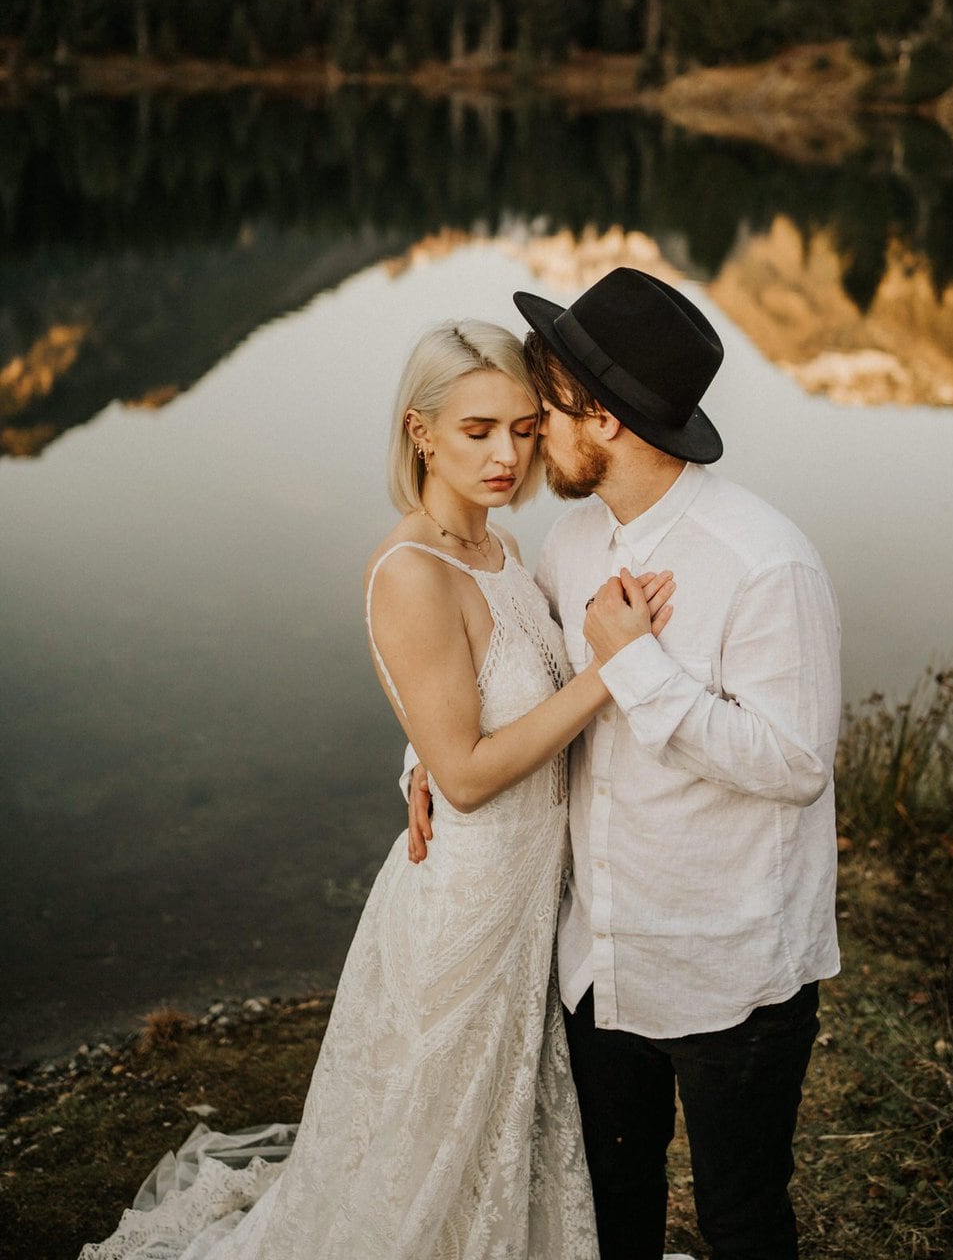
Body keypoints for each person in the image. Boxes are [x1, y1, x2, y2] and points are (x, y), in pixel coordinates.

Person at [79, 319, 675, 1260]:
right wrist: (610, 673)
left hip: (530, 903)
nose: (507, 454)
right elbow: (471, 777)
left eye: (524, 429)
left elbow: (469, 714)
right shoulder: (411, 573)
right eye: (478, 430)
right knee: (424, 1143)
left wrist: (416, 761)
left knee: (499, 1128)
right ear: (420, 431)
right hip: (464, 908)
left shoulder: (505, 554)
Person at [408, 269, 841, 1260]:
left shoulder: (765, 562)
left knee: (740, 1218)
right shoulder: (569, 541)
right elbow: (515, 680)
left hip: (731, 966)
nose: (524, 443)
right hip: (596, 953)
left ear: (598, 418)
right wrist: (427, 757)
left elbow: (794, 762)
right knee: (609, 1206)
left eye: (541, 416)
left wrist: (637, 666)